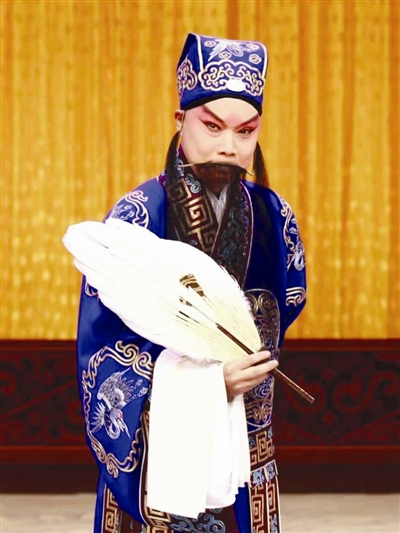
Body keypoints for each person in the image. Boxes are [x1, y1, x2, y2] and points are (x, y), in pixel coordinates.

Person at [76, 33, 306, 533]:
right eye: (212, 126)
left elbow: (287, 304)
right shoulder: (139, 217)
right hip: (160, 453)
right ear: (180, 120)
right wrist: (205, 384)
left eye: (246, 132)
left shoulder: (274, 217)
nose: (228, 146)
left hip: (247, 445)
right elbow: (103, 348)